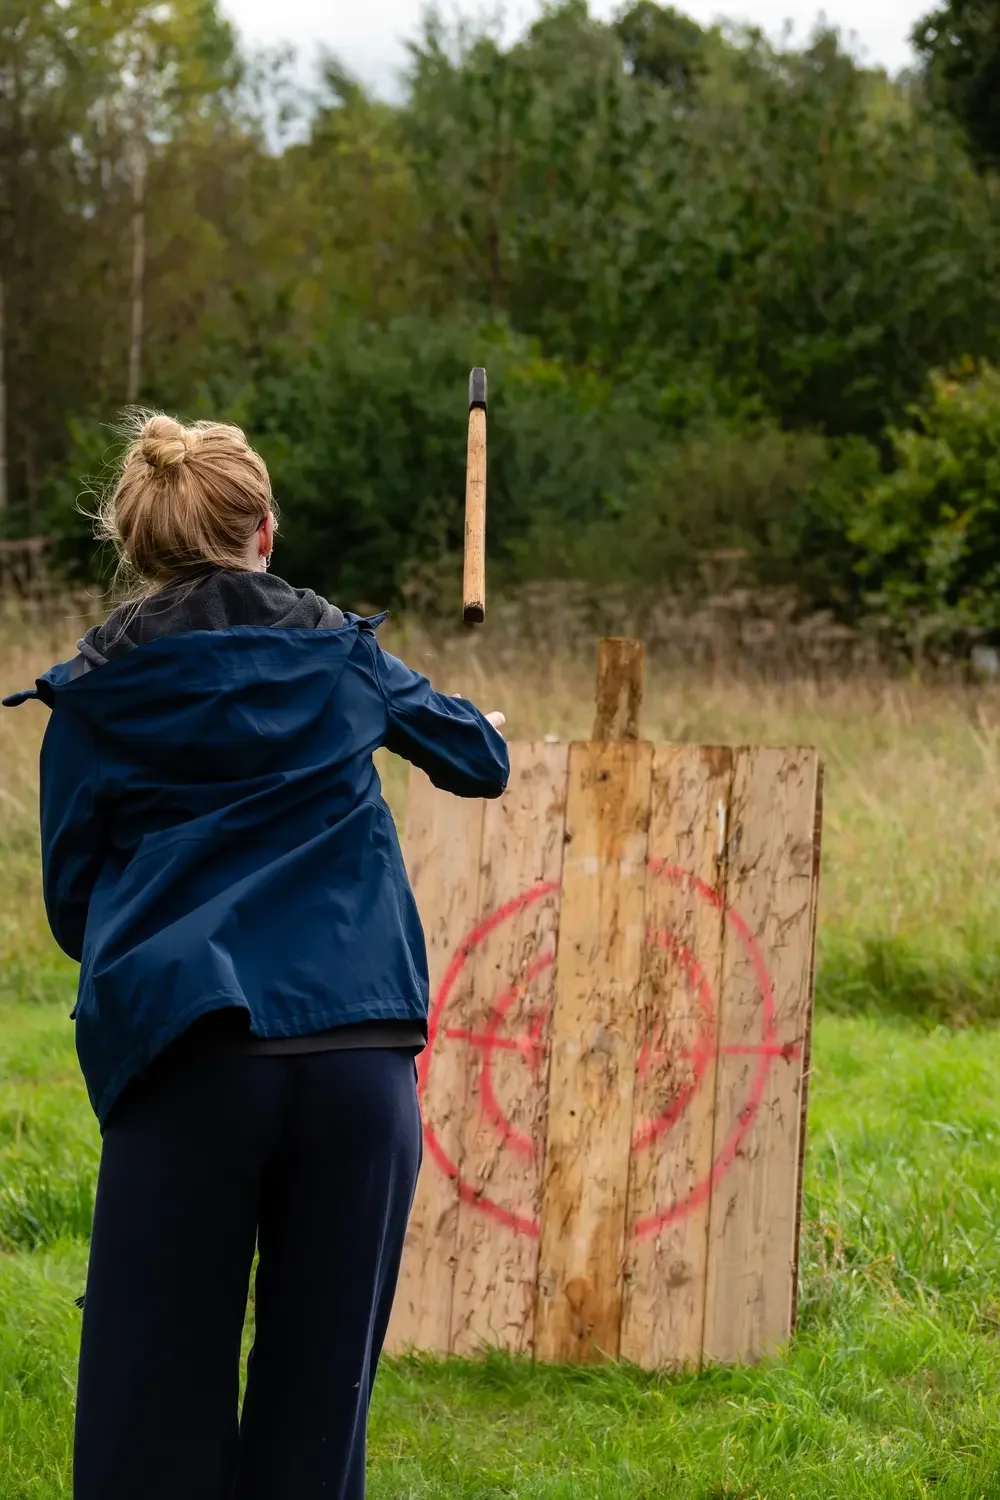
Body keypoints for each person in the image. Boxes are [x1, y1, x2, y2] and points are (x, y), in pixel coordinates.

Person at [3, 411, 509, 1500]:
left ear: (138, 548)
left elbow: (73, 904)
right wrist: (422, 702)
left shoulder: (94, 695)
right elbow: (481, 758)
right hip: (356, 1061)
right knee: (314, 1430)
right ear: (266, 533)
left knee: (151, 1427)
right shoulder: (344, 655)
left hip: (189, 1057)